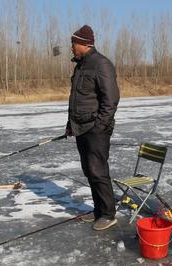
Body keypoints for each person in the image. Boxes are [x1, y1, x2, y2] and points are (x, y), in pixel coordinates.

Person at [65, 25, 120, 231]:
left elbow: (111, 99)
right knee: (89, 171)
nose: (71, 47)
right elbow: (77, 100)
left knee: (98, 171)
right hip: (80, 127)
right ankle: (98, 210)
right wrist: (70, 124)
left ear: (84, 43)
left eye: (73, 43)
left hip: (95, 129)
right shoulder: (80, 66)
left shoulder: (101, 64)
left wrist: (100, 126)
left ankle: (108, 214)